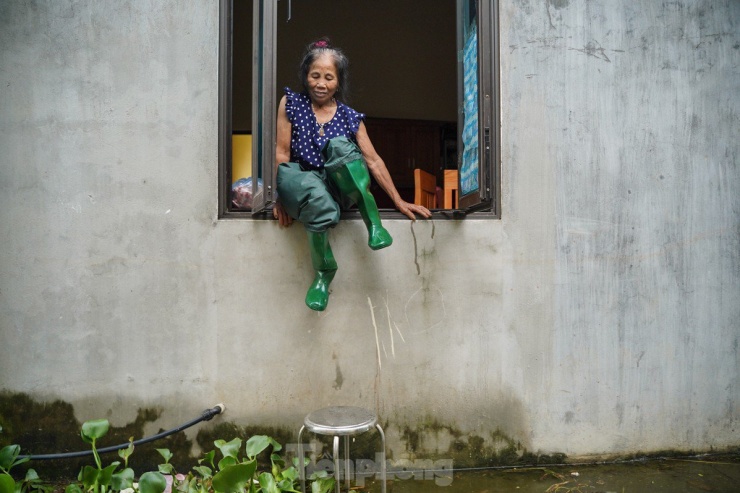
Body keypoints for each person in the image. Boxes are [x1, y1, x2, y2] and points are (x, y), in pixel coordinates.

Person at [273, 38, 431, 311]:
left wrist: (398, 201)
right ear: (305, 76)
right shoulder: (291, 103)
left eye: (329, 77)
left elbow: (373, 160)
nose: (321, 83)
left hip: (339, 188)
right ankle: (324, 273)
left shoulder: (349, 116)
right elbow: (282, 154)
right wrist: (282, 197)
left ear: (338, 82)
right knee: (308, 186)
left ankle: (374, 225)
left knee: (340, 148)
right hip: (307, 188)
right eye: (315, 76)